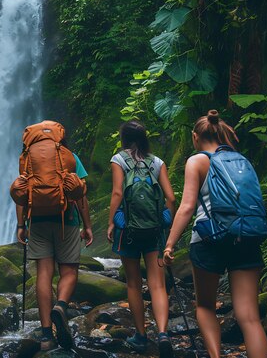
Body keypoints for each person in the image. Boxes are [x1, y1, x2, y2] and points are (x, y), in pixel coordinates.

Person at [163, 110, 267, 358]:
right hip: (247, 235)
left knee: (205, 306)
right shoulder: (240, 160)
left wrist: (170, 244)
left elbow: (187, 206)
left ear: (195, 136)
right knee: (250, 317)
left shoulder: (197, 161)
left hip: (209, 239)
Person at [16, 131, 93, 351]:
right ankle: (60, 306)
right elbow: (80, 194)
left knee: (44, 273)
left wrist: (21, 225)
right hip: (66, 220)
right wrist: (87, 225)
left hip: (38, 221)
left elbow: (22, 193)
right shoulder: (70, 157)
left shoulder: (28, 159)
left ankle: (47, 334)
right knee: (69, 271)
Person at [106, 120, 176, 357]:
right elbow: (171, 196)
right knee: (158, 284)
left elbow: (117, 192)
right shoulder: (157, 162)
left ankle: (141, 335)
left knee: (134, 283)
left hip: (128, 231)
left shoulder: (119, 160)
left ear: (124, 138)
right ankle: (164, 333)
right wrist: (165, 220)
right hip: (154, 230)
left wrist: (111, 221)